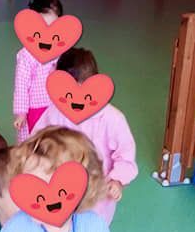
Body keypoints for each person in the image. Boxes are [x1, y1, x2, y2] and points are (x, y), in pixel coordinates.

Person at [33, 47, 138, 223]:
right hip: (60, 189)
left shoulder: (112, 119)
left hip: (97, 196)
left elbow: (125, 155)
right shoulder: (55, 111)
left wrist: (117, 180)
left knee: (90, 230)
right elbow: (36, 140)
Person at [14, 0, 63, 143]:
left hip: (56, 106)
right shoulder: (26, 55)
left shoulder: (61, 50)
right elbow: (21, 85)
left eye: (52, 27)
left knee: (54, 140)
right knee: (34, 141)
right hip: (35, 108)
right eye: (43, 27)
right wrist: (21, 113)